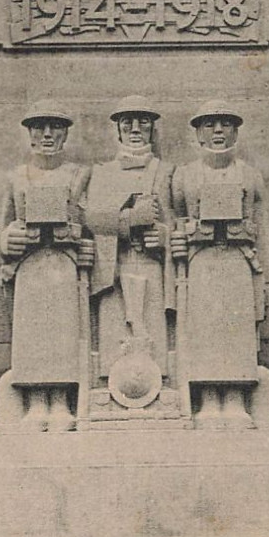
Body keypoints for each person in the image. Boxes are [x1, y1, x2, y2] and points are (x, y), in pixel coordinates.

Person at [172, 99, 269, 426]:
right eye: (210, 125)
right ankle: (209, 401)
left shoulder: (250, 175)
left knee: (236, 331)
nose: (218, 131)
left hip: (238, 263)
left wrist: (268, 281)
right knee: (205, 331)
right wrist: (186, 233)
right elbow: (174, 221)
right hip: (200, 263)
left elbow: (264, 232)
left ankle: (235, 400)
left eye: (225, 124)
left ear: (235, 131)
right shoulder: (184, 176)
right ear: (198, 133)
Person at [0, 100, 92, 431]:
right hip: (30, 267)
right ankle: (36, 403)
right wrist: (7, 238)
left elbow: (90, 220)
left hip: (64, 265)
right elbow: (4, 225)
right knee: (34, 335)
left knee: (63, 333)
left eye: (55, 127)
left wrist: (81, 238)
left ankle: (61, 402)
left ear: (65, 133)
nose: (47, 134)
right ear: (30, 134)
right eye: (39, 128)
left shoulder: (79, 175)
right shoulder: (17, 177)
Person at [84, 96, 175, 408]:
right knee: (115, 333)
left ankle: (157, 396)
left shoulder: (166, 172)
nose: (135, 128)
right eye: (128, 123)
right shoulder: (102, 172)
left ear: (152, 129)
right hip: (115, 266)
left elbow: (177, 221)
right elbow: (91, 219)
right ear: (118, 130)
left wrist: (164, 236)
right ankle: (111, 397)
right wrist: (128, 220)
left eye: (143, 122)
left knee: (151, 332)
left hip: (152, 264)